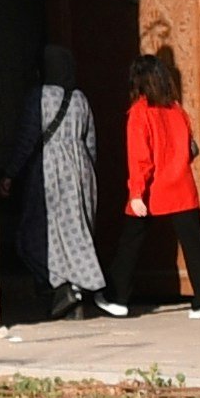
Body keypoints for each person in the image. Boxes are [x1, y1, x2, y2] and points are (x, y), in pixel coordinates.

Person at [117, 50, 200, 316]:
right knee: (194, 246)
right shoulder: (177, 110)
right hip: (182, 187)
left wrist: (136, 192)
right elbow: (191, 149)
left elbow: (140, 157)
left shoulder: (139, 112)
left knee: (130, 244)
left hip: (152, 189)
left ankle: (117, 297)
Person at [26, 43, 124, 319]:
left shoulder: (39, 97)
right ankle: (77, 288)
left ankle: (65, 287)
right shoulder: (79, 99)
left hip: (48, 168)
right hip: (81, 169)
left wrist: (12, 172)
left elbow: (26, 138)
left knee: (41, 233)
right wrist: (87, 170)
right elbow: (90, 140)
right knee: (78, 231)